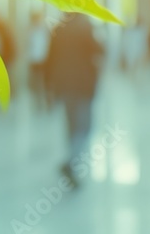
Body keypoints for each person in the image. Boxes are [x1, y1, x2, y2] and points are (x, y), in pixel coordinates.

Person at [43, 13, 104, 188]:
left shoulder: (58, 29)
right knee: (84, 126)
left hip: (64, 84)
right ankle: (72, 161)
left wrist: (48, 87)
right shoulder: (86, 27)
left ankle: (72, 159)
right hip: (83, 84)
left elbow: (49, 59)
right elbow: (99, 50)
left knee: (71, 125)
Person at [26, 10, 51, 110]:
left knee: (44, 83)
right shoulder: (31, 31)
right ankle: (38, 103)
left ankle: (46, 102)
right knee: (35, 83)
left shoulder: (44, 31)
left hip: (44, 61)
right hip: (34, 61)